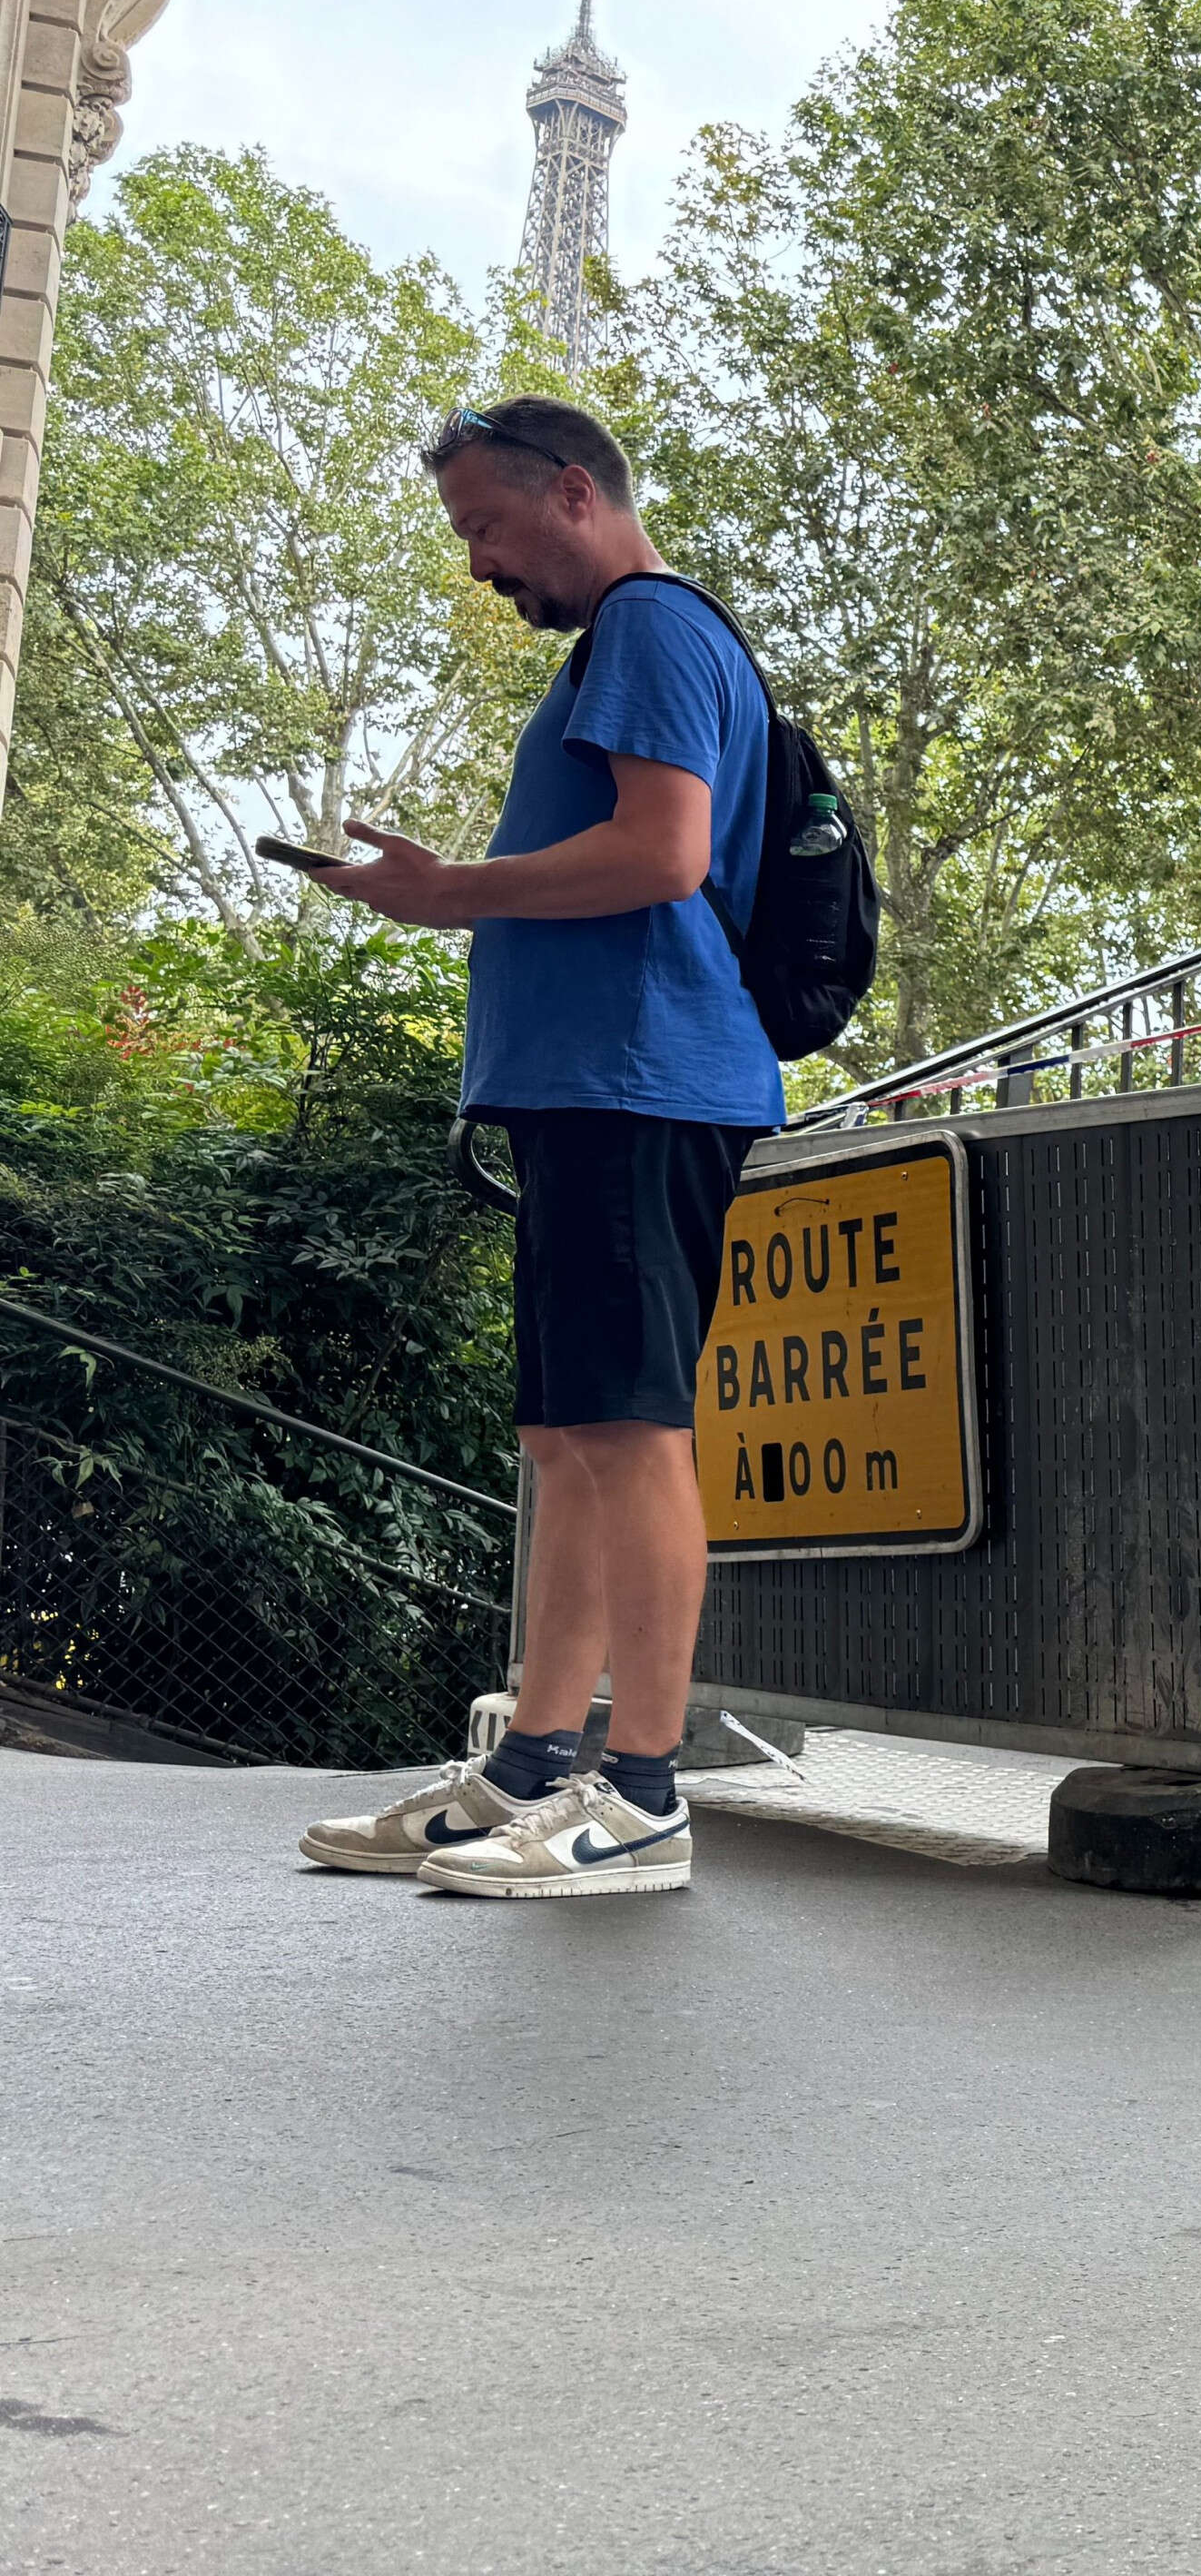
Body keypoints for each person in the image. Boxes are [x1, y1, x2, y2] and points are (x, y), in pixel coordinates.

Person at [297, 395, 782, 1900]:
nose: (478, 565)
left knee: (629, 1432)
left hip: (644, 1085)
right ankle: (526, 1771)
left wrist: (456, 892)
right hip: (598, 1092)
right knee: (571, 1438)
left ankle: (642, 1795)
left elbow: (665, 851)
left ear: (575, 493)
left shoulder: (650, 625)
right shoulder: (622, 643)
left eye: (485, 529)